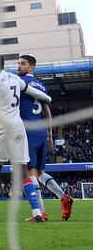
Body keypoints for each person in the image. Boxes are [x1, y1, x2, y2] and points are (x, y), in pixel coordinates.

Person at [0, 54, 52, 223]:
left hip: (1, 128)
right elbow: (34, 92)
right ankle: (37, 212)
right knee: (23, 171)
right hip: (18, 128)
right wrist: (47, 98)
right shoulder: (15, 78)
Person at [17, 54, 73, 221]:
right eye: (18, 63)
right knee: (40, 172)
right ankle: (63, 197)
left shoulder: (20, 83)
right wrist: (49, 134)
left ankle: (40, 213)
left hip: (27, 131)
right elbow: (47, 111)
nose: (19, 66)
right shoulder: (41, 85)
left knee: (29, 171)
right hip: (41, 132)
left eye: (23, 64)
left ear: (31, 67)